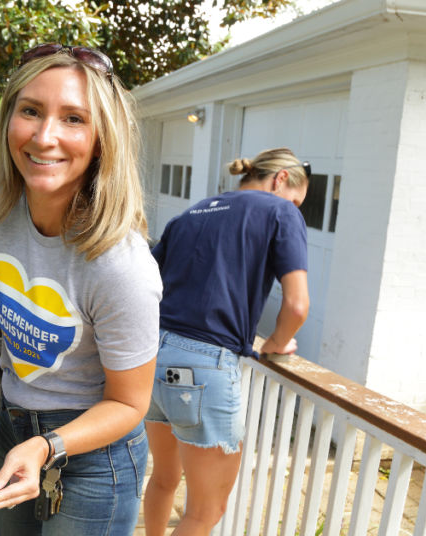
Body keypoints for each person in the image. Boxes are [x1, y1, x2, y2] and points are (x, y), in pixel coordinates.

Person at [0, 44, 162, 534]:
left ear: (101, 139)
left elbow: (129, 404)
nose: (44, 135)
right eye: (30, 110)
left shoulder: (121, 265)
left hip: (94, 457)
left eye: (74, 118)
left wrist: (48, 446)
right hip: (15, 423)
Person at [143, 148, 311, 536]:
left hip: (153, 355)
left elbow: (144, 282)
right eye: (297, 200)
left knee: (164, 478)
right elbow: (298, 305)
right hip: (205, 364)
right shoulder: (279, 211)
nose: (295, 208)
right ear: (282, 179)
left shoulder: (191, 213)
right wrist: (277, 342)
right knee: (205, 511)